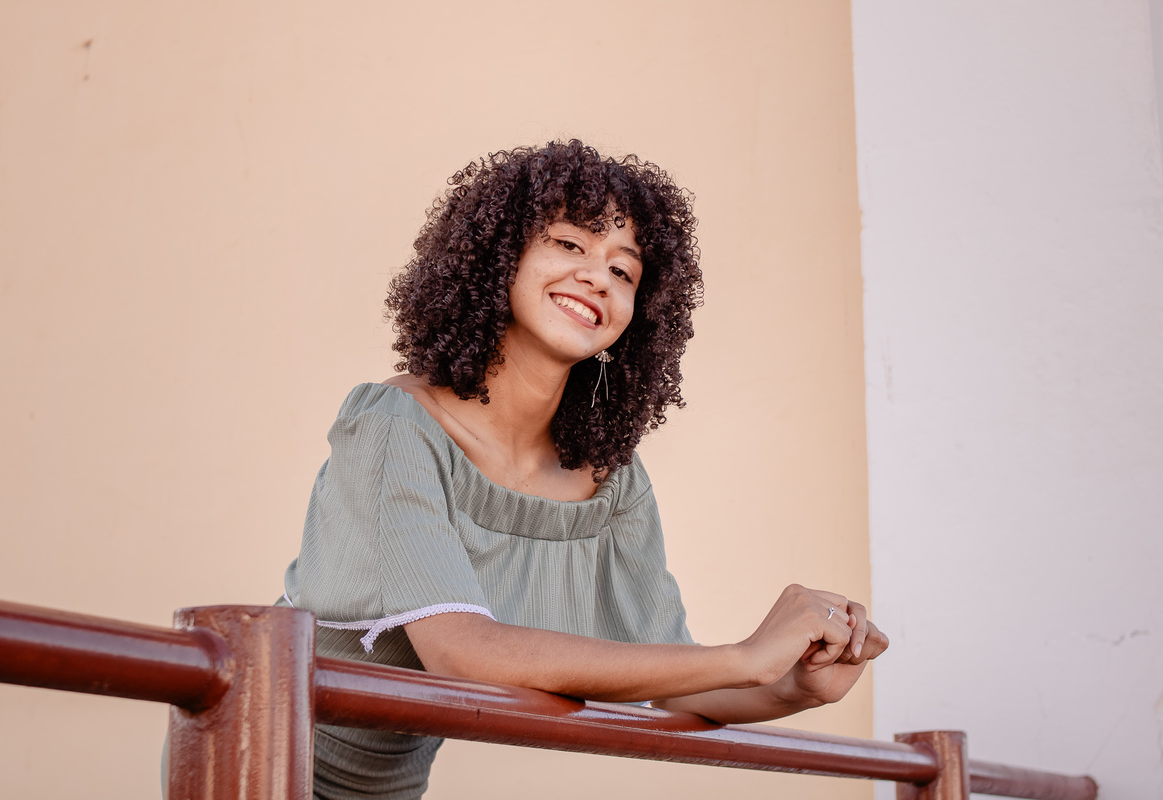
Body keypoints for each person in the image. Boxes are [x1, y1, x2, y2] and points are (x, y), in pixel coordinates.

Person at [281, 140, 888, 800]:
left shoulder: (612, 482)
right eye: (570, 244)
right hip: (256, 763)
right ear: (498, 258)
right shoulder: (395, 424)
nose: (598, 277)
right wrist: (745, 657)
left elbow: (674, 678)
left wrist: (791, 684)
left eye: (624, 271)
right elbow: (462, 655)